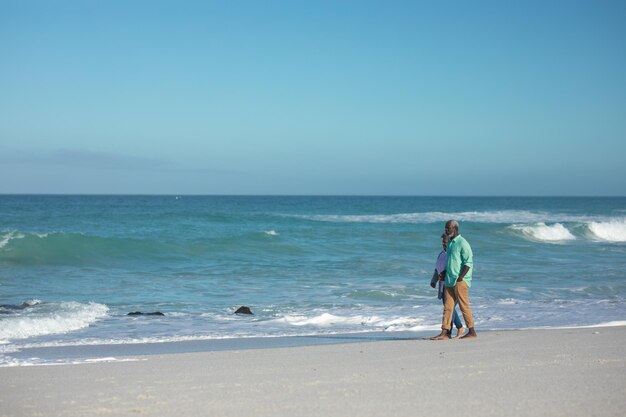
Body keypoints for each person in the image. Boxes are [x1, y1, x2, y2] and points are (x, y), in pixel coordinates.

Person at [431, 220, 477, 340]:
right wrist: (444, 273)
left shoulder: (463, 243)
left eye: (448, 228)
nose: (446, 231)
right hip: (449, 280)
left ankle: (472, 331)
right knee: (448, 307)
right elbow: (451, 262)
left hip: (460, 281)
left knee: (463, 306)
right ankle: (445, 332)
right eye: (446, 228)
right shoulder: (450, 243)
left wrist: (461, 277)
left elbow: (468, 262)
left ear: (455, 228)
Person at [429, 233, 465, 338]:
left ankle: (448, 332)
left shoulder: (453, 254)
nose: (443, 243)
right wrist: (433, 281)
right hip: (443, 286)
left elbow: (457, 269)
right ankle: (459, 328)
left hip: (453, 285)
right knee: (449, 308)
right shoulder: (441, 254)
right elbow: (437, 269)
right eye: (443, 241)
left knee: (450, 307)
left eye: (445, 241)